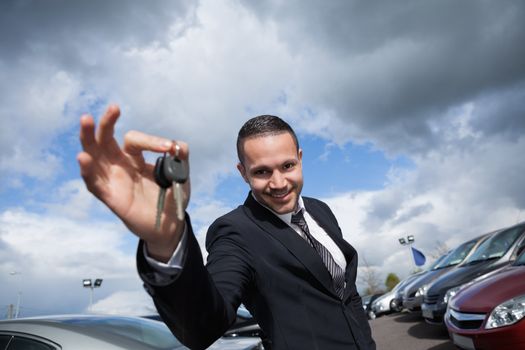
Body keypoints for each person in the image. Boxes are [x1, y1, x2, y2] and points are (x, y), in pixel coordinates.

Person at [78, 105, 376, 350]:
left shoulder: (321, 210)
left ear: (299, 159)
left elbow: (344, 295)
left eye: (287, 166)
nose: (278, 183)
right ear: (242, 173)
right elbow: (203, 326)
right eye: (261, 172)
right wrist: (166, 238)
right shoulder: (234, 232)